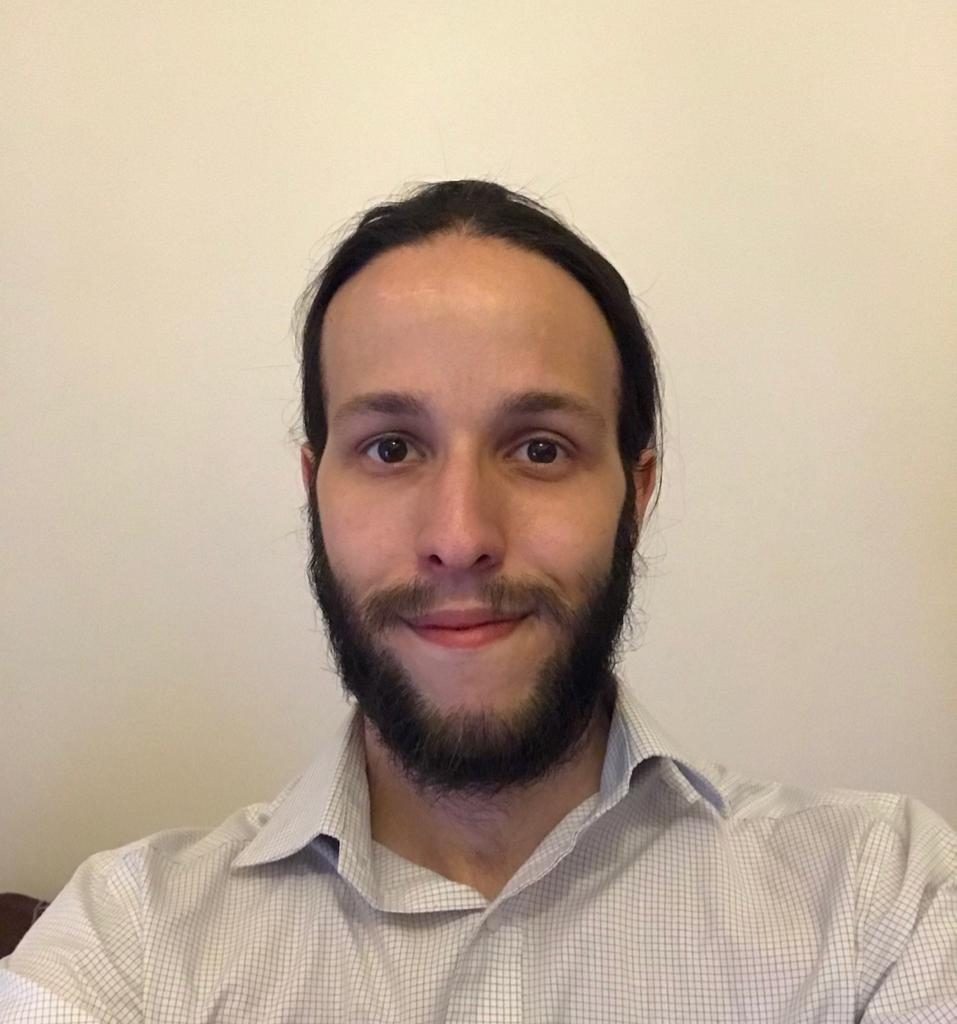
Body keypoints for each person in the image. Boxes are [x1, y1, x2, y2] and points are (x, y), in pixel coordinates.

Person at [1, 180, 954, 1022]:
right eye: (390, 448)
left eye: (539, 449)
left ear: (636, 492)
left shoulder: (880, 902)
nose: (459, 536)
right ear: (313, 487)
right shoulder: (127, 944)